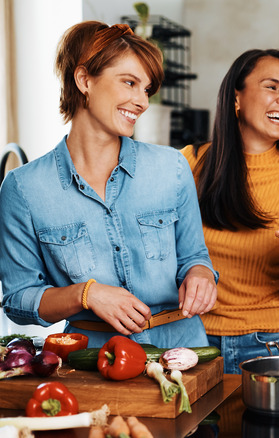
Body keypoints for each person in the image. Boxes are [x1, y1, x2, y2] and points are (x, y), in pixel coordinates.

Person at [0, 21, 218, 348]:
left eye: (146, 89)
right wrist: (86, 294)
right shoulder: (23, 189)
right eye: (129, 82)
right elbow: (18, 299)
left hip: (183, 352)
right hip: (92, 363)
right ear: (84, 80)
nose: (142, 101)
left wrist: (200, 274)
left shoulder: (171, 167)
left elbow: (194, 257)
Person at [181, 49, 279, 375]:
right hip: (191, 343)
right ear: (236, 98)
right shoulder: (190, 163)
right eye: (272, 87)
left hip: (269, 346)